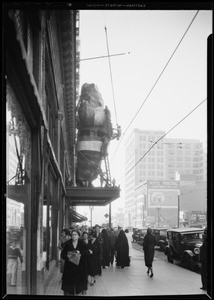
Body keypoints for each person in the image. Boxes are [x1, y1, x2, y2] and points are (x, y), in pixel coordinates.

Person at [61, 229, 89, 295]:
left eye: (75, 234)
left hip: (80, 267)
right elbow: (63, 254)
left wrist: (80, 253)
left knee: (79, 284)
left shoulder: (82, 243)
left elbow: (87, 253)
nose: (74, 236)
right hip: (69, 267)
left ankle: (78, 292)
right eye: (72, 234)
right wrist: (68, 256)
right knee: (69, 285)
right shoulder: (67, 243)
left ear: (78, 236)